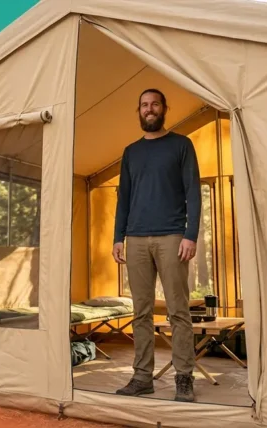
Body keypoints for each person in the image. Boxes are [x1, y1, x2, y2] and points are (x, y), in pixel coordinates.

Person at [112, 88, 201, 402]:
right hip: (135, 239)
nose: (149, 109)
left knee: (179, 311)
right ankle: (141, 377)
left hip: (172, 238)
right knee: (141, 312)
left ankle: (184, 378)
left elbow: (193, 192)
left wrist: (191, 234)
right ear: (138, 111)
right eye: (144, 105)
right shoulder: (131, 152)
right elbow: (123, 198)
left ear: (165, 108)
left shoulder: (181, 145)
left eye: (154, 104)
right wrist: (117, 237)